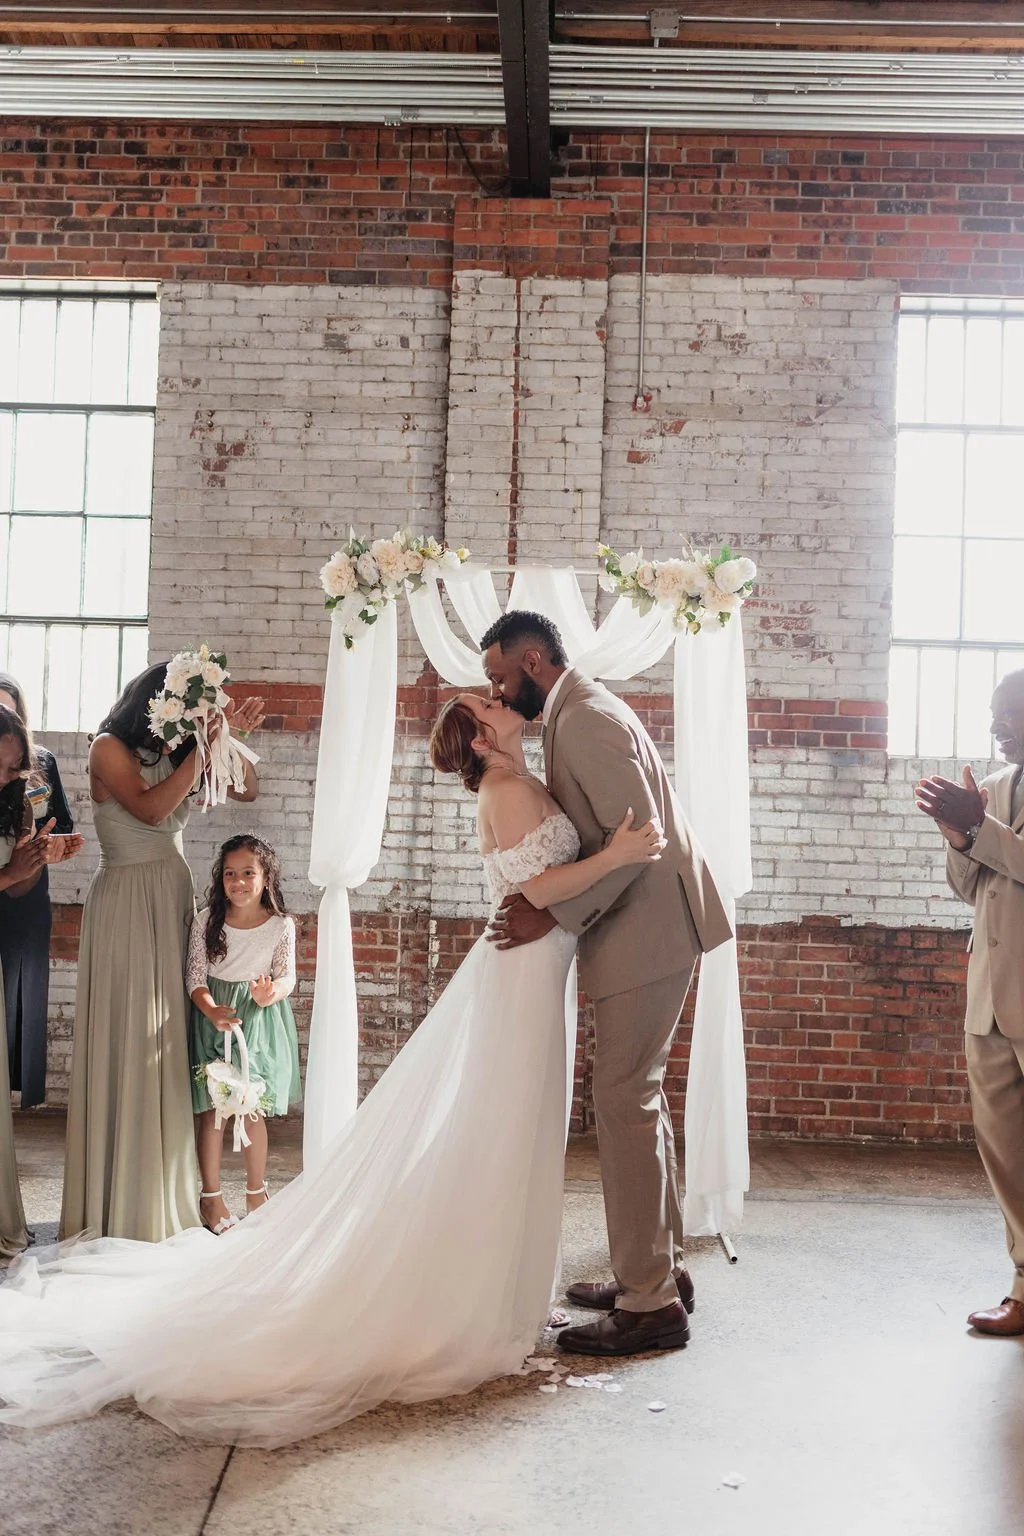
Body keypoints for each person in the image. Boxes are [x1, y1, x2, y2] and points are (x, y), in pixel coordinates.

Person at [0, 691, 661, 1447]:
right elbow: (534, 891)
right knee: (503, 1124)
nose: (501, 700)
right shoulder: (508, 790)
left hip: (539, 973)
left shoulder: (522, 778)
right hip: (521, 976)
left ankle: (501, 1283)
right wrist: (614, 857)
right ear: (480, 740)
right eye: (486, 703)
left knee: (512, 1125)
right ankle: (482, 1293)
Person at [479, 610, 732, 1358]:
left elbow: (639, 842)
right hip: (644, 929)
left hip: (648, 930)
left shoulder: (584, 717)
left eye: (498, 676)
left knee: (623, 1100)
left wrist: (548, 914)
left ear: (532, 660)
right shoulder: (576, 709)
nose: (496, 688)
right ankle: (657, 1272)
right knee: (636, 1099)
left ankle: (650, 1304)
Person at [59, 664, 263, 1246]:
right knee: (131, 1032)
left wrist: (227, 739)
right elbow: (150, 811)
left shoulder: (179, 752)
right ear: (158, 704)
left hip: (172, 894)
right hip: (126, 899)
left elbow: (247, 789)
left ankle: (166, 1192)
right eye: (193, 710)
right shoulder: (108, 748)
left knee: (169, 1039)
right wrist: (201, 748)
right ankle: (119, 1197)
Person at [916, 666, 1024, 1337]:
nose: (995, 728)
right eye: (993, 715)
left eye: (1008, 715)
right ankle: (1023, 1284)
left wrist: (977, 828)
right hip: (989, 1000)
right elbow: (970, 885)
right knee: (1006, 1153)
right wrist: (960, 834)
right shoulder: (993, 789)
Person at [187, 835, 300, 1235]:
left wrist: (272, 993)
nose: (238, 882)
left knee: (251, 1109)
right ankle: (211, 1197)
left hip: (258, 1020)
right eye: (230, 874)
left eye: (248, 873)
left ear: (266, 877)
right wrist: (211, 1009)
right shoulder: (206, 920)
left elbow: (287, 975)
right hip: (215, 1016)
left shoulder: (280, 926)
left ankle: (256, 1192)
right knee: (213, 1111)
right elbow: (195, 977)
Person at [0, 706, 82, 1256]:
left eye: (13, 770)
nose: (7, 778)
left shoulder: (16, 794)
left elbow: (10, 890)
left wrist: (31, 863)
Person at [0, 672, 76, 1111]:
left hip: (28, 893)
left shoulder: (41, 761)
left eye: (9, 708)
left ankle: (15, 1094)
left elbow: (61, 822)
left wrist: (54, 845)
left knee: (21, 991)